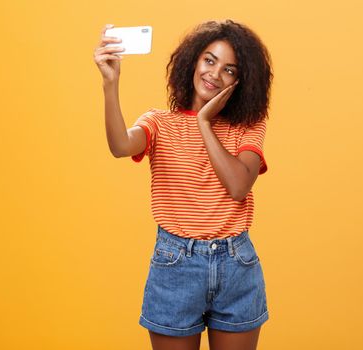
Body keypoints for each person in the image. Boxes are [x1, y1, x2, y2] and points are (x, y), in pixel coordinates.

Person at [93, 19, 273, 350]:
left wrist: (204, 121)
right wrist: (110, 84)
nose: (215, 74)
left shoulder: (248, 127)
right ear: (192, 61)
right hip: (175, 264)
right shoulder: (159, 123)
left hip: (236, 265)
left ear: (241, 81)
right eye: (209, 60)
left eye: (229, 70)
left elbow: (238, 186)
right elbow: (120, 145)